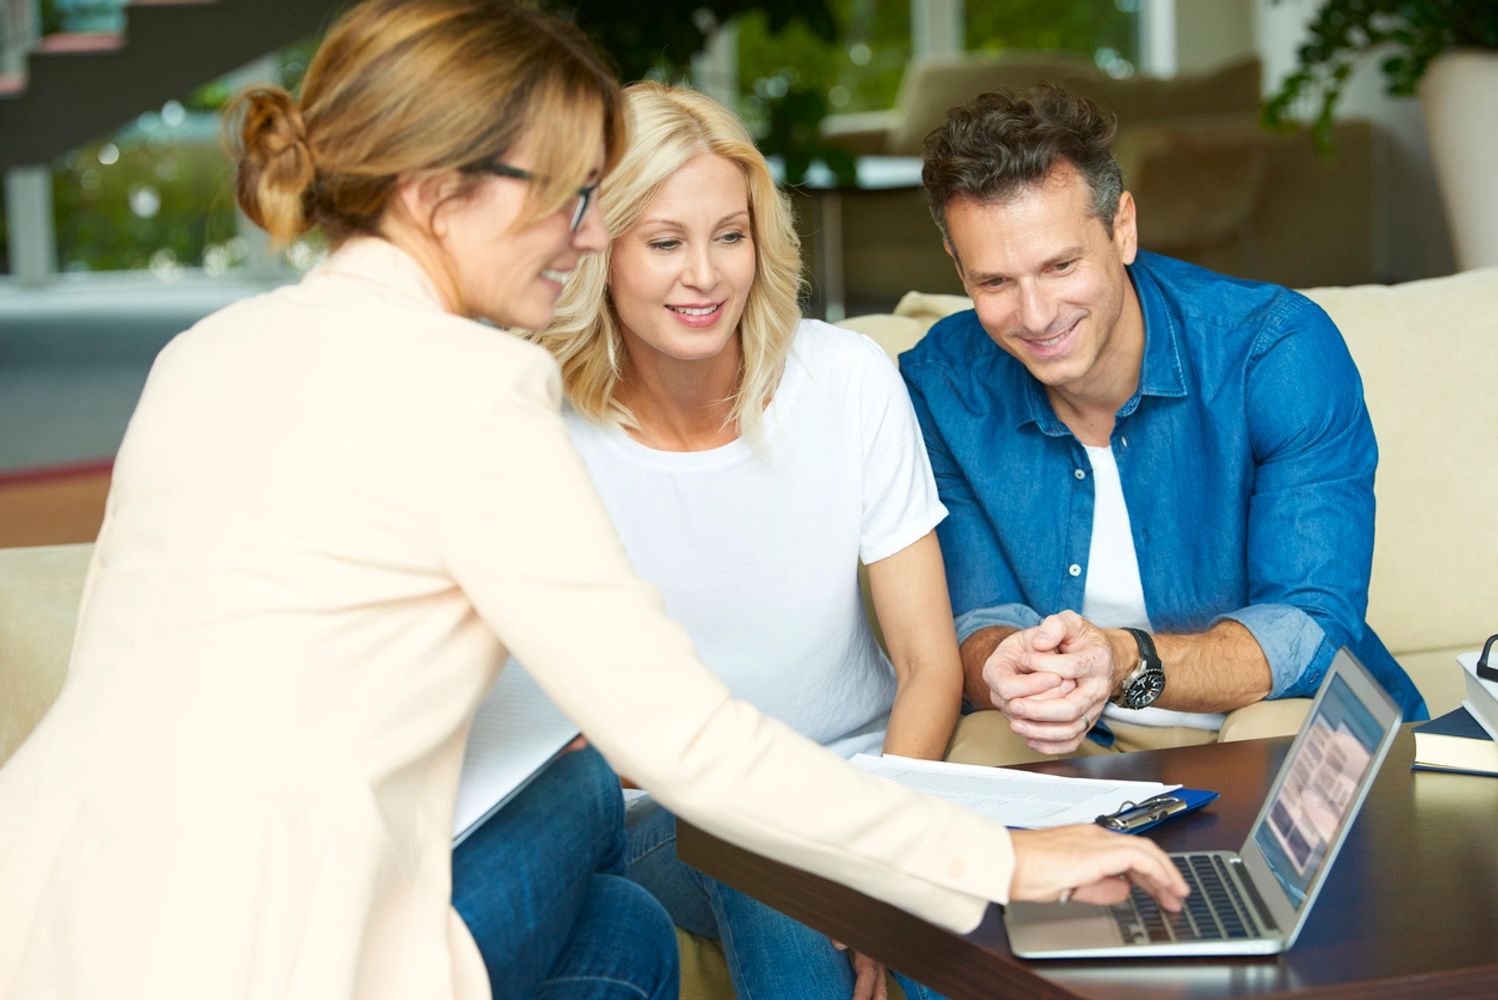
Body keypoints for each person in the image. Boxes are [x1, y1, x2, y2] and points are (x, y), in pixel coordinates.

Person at [0, 6, 1188, 998]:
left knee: (618, 931)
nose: (584, 237)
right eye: (572, 199)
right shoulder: (471, 386)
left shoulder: (209, 350)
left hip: (55, 916)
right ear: (436, 193)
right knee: (598, 809)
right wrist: (1007, 860)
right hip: (270, 952)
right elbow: (688, 744)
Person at [530, 81, 959, 999]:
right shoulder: (544, 433)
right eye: (664, 242)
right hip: (668, 816)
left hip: (862, 787)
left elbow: (929, 664)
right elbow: (567, 738)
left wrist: (875, 864)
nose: (706, 275)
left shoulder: (847, 380)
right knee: (759, 845)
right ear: (598, 251)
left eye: (731, 234)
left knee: (920, 932)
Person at [899, 84, 1427, 770]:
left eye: (1061, 266)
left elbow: (1309, 625)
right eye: (995, 282)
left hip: (1263, 706)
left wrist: (1123, 661)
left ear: (1121, 228)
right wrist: (1004, 663)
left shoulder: (1274, 350)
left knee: (1285, 750)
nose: (1035, 315)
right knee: (983, 756)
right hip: (1073, 732)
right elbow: (974, 618)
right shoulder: (938, 386)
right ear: (955, 263)